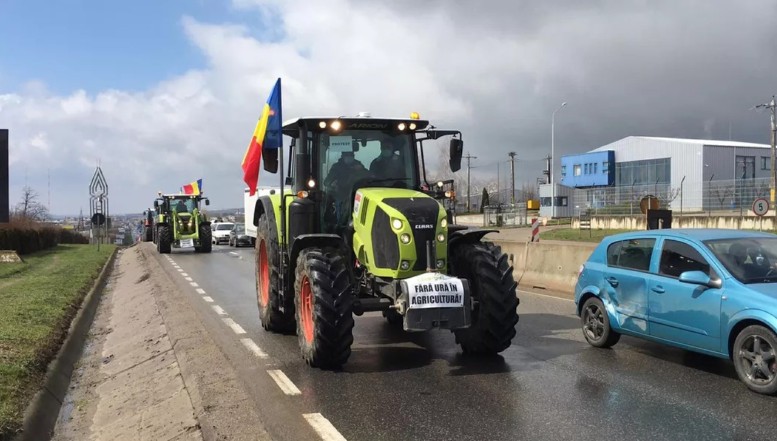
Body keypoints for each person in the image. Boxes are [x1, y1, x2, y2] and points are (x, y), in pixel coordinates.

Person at [324, 151, 369, 227]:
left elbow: (369, 176)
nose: (349, 157)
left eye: (351, 155)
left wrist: (361, 170)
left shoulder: (359, 166)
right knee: (341, 218)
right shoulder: (336, 167)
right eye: (346, 155)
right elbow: (326, 182)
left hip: (357, 196)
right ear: (342, 156)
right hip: (340, 196)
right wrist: (332, 184)